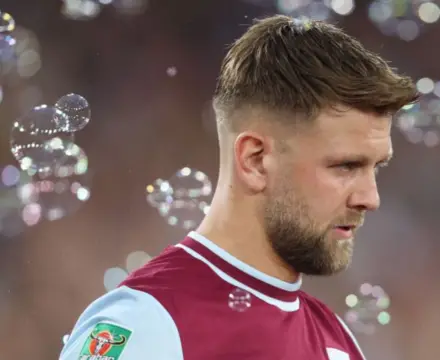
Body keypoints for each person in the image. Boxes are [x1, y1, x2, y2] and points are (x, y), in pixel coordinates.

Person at [59, 14, 418, 360]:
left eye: (376, 168)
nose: (370, 198)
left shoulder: (337, 341)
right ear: (255, 160)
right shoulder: (145, 324)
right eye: (345, 166)